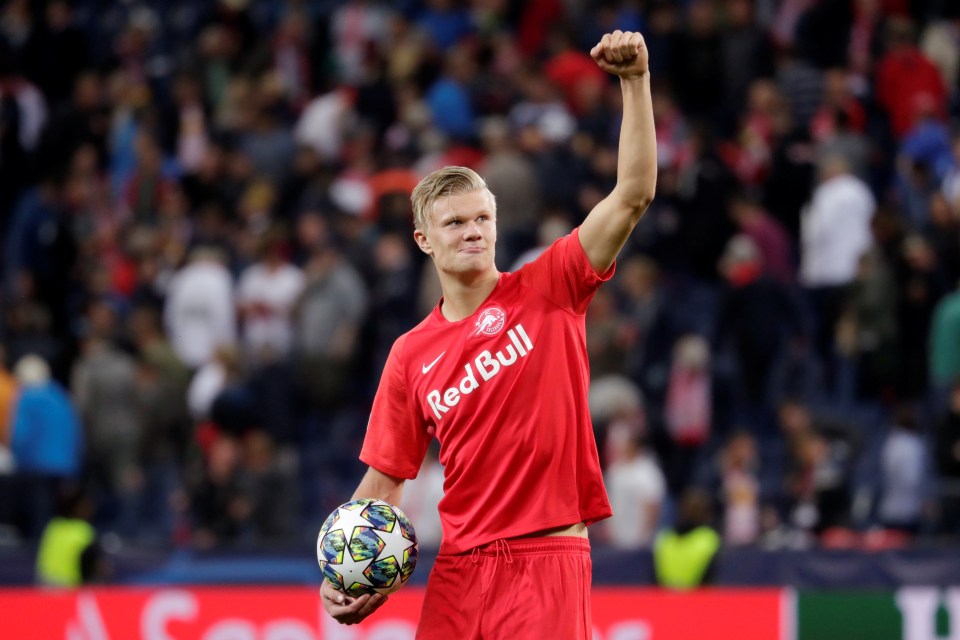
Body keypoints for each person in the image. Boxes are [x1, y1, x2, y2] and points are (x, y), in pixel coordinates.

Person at [320, 29, 656, 639]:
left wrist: (634, 82)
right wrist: (348, 570)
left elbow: (632, 195)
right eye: (454, 222)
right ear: (424, 239)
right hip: (459, 571)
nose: (473, 231)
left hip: (546, 560)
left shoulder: (552, 285)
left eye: (483, 219)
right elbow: (384, 480)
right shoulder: (410, 354)